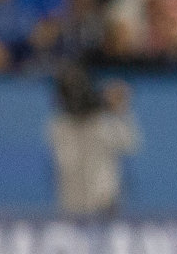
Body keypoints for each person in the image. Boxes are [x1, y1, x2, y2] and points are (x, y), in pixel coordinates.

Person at [48, 67, 139, 216]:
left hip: (105, 202)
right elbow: (66, 161)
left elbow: (130, 145)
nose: (76, 99)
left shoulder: (104, 121)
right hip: (72, 205)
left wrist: (120, 110)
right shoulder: (58, 125)